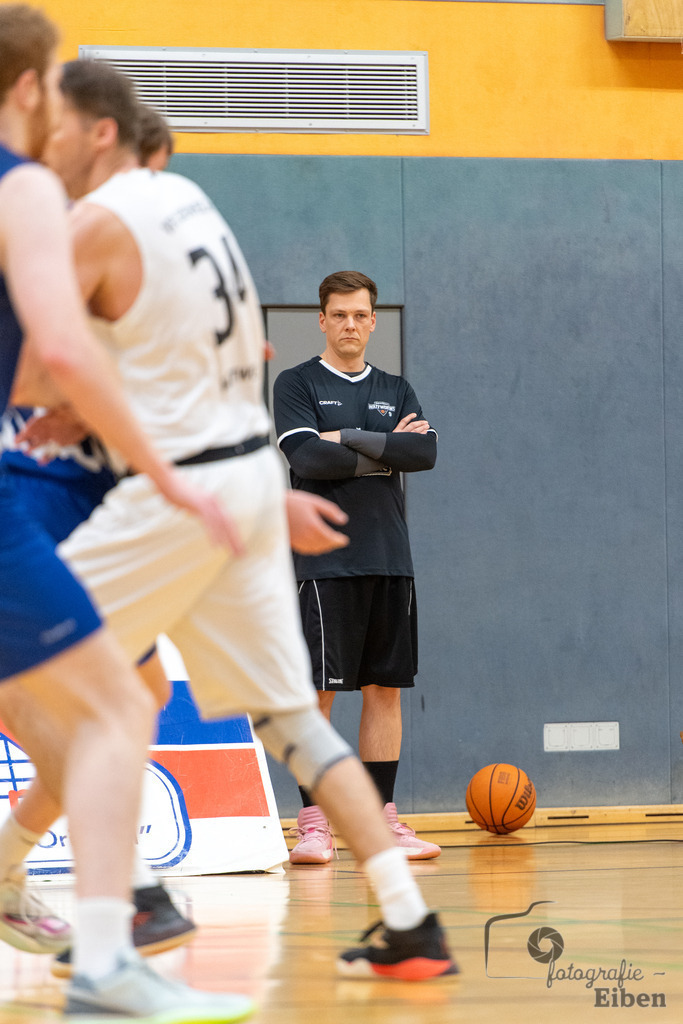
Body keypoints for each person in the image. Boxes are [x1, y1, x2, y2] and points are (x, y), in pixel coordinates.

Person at [14, 59, 457, 983]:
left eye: (58, 136)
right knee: (292, 717)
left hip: (184, 495)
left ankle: (120, 914)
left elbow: (51, 356)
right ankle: (410, 922)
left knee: (67, 686)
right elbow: (240, 348)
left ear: (99, 136)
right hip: (249, 484)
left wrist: (66, 401)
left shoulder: (97, 222)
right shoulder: (200, 218)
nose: (44, 154)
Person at [0, 6, 253, 1022]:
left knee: (79, 715)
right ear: (30, 88)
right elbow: (59, 349)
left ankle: (58, 898)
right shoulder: (21, 188)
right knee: (118, 704)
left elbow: (36, 371)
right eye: (56, 79)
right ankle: (107, 963)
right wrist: (171, 470)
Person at [0, 104, 196, 971]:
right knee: (92, 710)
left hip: (81, 505)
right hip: (30, 494)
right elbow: (51, 367)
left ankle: (15, 875)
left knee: (127, 703)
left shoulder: (125, 245)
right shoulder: (44, 209)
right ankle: (128, 916)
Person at [273, 271, 441, 865]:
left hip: (390, 559)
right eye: (338, 314)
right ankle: (314, 823)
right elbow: (307, 457)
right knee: (319, 693)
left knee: (385, 691)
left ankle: (381, 820)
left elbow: (423, 452)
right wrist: (380, 446)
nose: (349, 324)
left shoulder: (397, 387)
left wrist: (345, 435)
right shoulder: (295, 383)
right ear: (321, 319)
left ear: (373, 321)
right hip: (323, 564)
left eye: (360, 315)